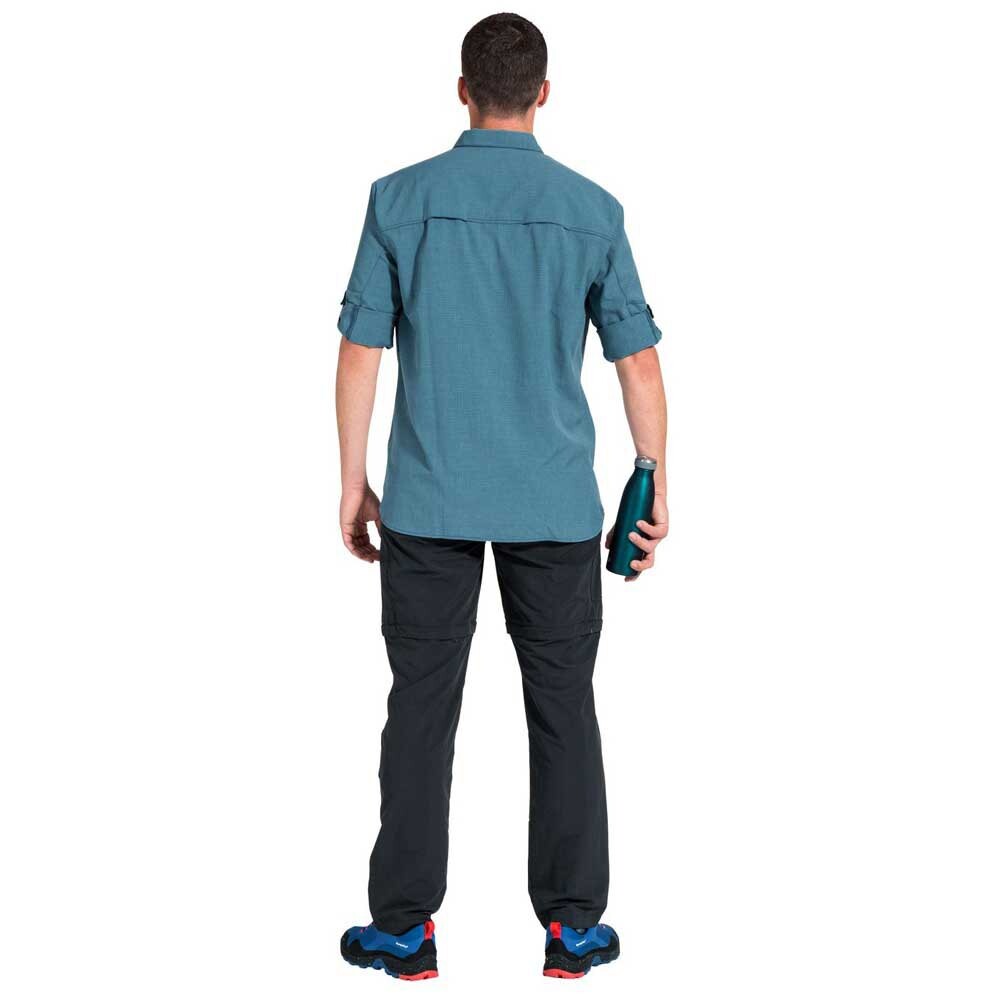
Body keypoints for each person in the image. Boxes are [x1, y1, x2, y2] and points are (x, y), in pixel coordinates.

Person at [336, 13, 668, 980]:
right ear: (544, 93)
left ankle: (404, 930)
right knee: (563, 707)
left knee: (420, 708)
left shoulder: (399, 200)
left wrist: (354, 480)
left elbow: (361, 351)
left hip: (429, 502)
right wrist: (651, 475)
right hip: (553, 505)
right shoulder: (592, 210)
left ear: (462, 88)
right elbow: (638, 361)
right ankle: (573, 928)